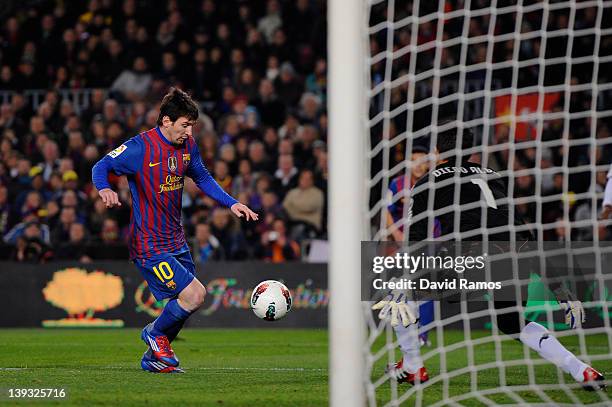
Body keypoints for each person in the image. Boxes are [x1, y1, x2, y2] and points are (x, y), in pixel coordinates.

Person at [374, 123, 605, 390]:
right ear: (471, 151)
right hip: (514, 258)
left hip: (470, 257)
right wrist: (559, 288)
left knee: (397, 289)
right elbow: (523, 233)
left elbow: (415, 237)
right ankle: (581, 370)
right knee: (512, 323)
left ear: (437, 152)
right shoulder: (493, 175)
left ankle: (413, 366)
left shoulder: (429, 180)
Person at [92, 88, 258, 373]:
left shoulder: (187, 146)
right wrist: (105, 188)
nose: (189, 132)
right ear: (166, 121)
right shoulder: (139, 148)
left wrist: (231, 203)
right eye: (185, 125)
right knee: (195, 295)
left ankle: (153, 359)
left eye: (191, 125)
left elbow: (202, 176)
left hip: (176, 240)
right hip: (149, 243)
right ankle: (154, 335)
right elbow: (101, 165)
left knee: (186, 302)